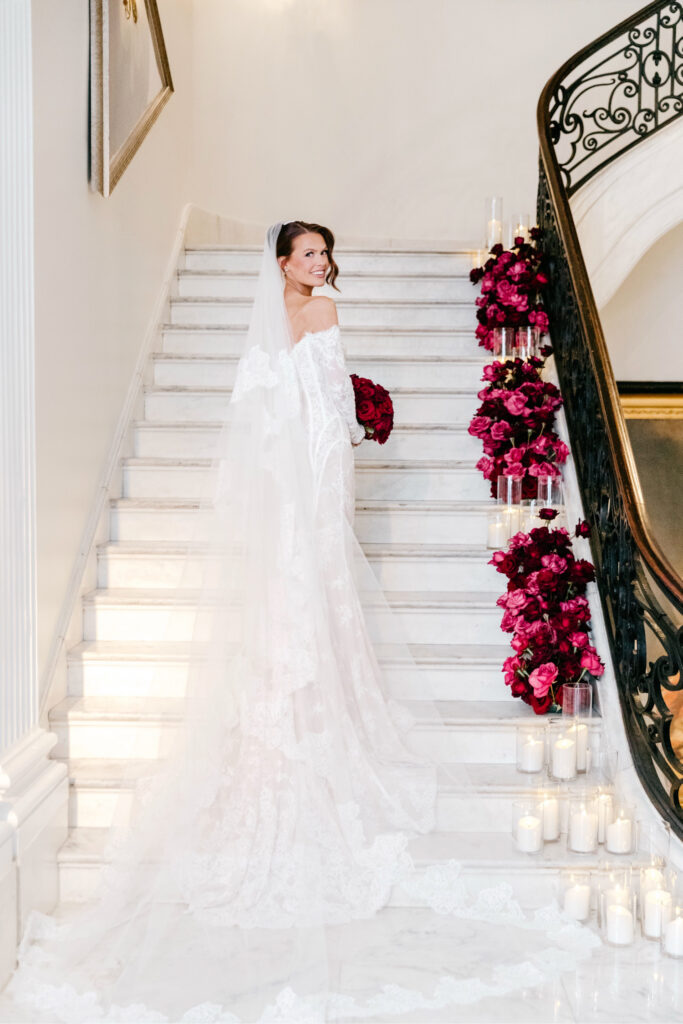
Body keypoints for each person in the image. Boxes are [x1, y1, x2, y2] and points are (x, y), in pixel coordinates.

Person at [0, 221, 597, 1023]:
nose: (321, 265)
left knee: (280, 628)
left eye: (324, 254)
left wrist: (296, 490)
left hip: (275, 504)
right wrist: (328, 498)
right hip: (304, 500)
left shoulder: (273, 325)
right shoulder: (321, 316)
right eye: (309, 255)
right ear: (283, 262)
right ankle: (304, 742)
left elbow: (261, 427)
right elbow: (323, 424)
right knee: (308, 615)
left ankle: (280, 738)